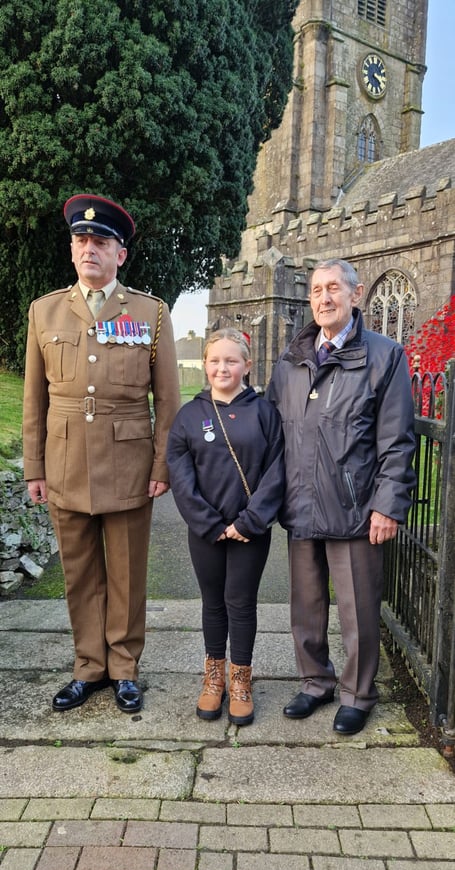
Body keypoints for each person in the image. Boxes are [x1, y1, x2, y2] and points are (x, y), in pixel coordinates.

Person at [22, 194, 180, 713]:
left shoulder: (150, 313)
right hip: (65, 461)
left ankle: (125, 666)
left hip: (129, 464)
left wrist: (162, 466)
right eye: (82, 240)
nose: (90, 249)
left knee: (127, 572)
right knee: (79, 571)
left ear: (121, 255)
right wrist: (34, 468)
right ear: (72, 250)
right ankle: (89, 666)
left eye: (102, 242)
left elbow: (168, 399)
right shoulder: (43, 311)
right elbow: (33, 399)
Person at [267, 258, 415, 735]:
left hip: (355, 509)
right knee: (305, 607)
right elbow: (272, 433)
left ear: (356, 294)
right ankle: (315, 683)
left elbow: (397, 439)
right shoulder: (291, 360)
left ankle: (357, 693)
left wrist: (387, 506)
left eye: (334, 288)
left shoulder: (385, 355)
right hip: (301, 504)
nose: (324, 298)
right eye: (316, 290)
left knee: (358, 610)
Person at [167, 328, 284, 726]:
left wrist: (249, 521)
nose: (223, 368)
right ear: (205, 364)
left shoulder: (265, 414)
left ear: (247, 366)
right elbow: (181, 477)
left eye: (232, 361)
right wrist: (211, 523)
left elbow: (276, 471)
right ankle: (213, 678)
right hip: (207, 532)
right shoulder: (190, 416)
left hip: (251, 530)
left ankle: (241, 679)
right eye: (215, 360)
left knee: (241, 602)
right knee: (213, 603)